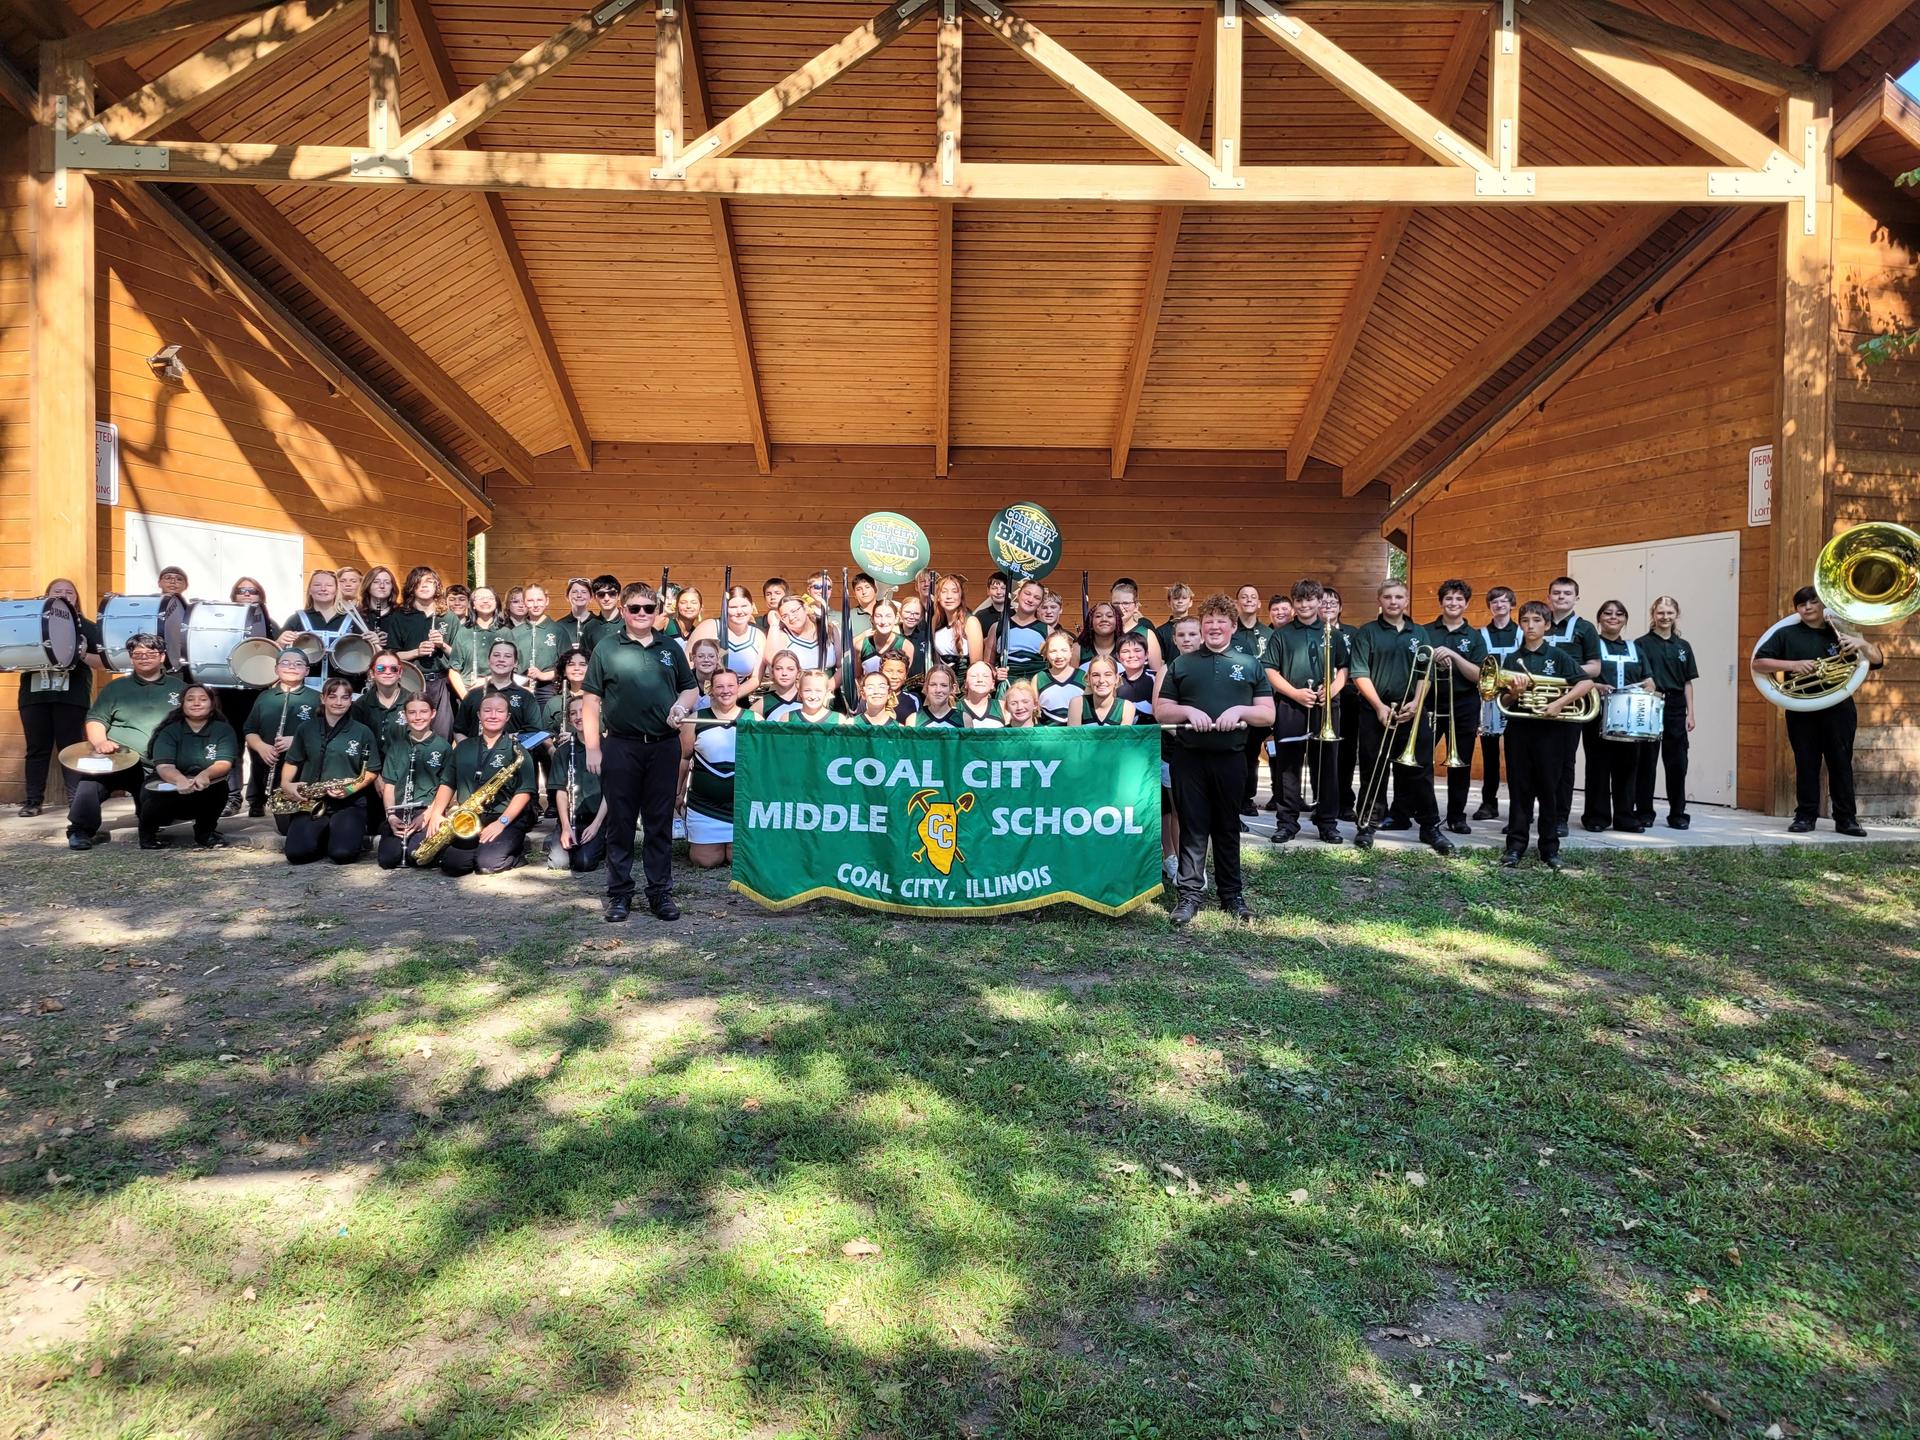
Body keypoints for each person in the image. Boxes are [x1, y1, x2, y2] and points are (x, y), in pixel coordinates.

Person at [1155, 594, 1275, 926]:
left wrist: (1239, 710)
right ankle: (1189, 896)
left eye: (1221, 621)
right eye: (1208, 622)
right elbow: (1162, 710)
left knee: (1226, 828)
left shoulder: (1251, 665)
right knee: (1192, 828)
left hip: (1231, 758)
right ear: (1202, 625)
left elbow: (1267, 714)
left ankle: (1231, 896)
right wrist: (1188, 711)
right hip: (1189, 758)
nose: (1214, 627)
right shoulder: (1182, 664)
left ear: (1233, 626)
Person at [582, 582, 698, 923]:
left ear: (658, 612)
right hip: (621, 745)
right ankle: (620, 895)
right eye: (635, 609)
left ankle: (660, 892)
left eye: (649, 608)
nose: (642, 614)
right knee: (620, 823)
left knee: (658, 822)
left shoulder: (670, 647)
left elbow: (690, 688)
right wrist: (593, 747)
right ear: (623, 611)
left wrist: (680, 706)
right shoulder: (606, 647)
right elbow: (590, 700)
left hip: (663, 746)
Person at [1753, 584, 1882, 836]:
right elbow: (1758, 663)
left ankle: (1846, 819)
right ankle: (1805, 816)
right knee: (1806, 762)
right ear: (1797, 609)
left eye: (1813, 602)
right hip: (1801, 706)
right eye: (1802, 604)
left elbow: (1877, 660)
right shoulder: (1785, 634)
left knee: (1841, 762)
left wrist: (1861, 642)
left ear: (1822, 605)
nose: (1808, 607)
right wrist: (1794, 664)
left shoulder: (1841, 632)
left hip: (1839, 708)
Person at [1348, 581, 1454, 856]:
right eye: (1388, 597)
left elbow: (1425, 674)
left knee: (1420, 772)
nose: (1393, 601)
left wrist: (1417, 703)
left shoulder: (1419, 632)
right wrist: (1380, 706)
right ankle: (1367, 825)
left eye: (1399, 597)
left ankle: (1430, 826)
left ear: (1406, 601)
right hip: (1376, 713)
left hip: (1413, 713)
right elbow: (1359, 673)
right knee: (1374, 769)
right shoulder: (1367, 633)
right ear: (1379, 601)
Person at [1497, 601, 1596, 870]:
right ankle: (1515, 847)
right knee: (1519, 790)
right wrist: (1515, 693)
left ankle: (1549, 849)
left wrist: (1558, 704)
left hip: (1551, 732)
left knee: (1549, 791)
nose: (1531, 625)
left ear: (1547, 625)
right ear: (1520, 624)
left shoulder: (1558, 656)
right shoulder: (1512, 659)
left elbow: (1586, 682)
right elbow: (1504, 699)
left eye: (1537, 621)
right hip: (1519, 730)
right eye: (1526, 620)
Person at [67, 632, 184, 851]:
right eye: (137, 653)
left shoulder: (180, 689)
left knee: (162, 816)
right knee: (90, 784)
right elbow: (96, 719)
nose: (144, 657)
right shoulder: (116, 688)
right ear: (131, 658)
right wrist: (100, 742)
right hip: (118, 758)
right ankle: (80, 831)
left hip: (159, 765)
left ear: (162, 657)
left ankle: (149, 816)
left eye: (150, 653)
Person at [1263, 580, 1346, 845]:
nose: (1304, 605)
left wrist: (1331, 690)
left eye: (1310, 600)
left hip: (1326, 707)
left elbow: (1345, 668)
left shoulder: (1333, 633)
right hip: (1291, 704)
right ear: (1293, 603)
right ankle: (1287, 822)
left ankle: (1327, 823)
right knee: (1288, 766)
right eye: (1299, 601)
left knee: (1327, 766)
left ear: (1319, 601)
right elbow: (1270, 670)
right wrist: (1295, 693)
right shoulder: (1282, 635)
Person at [421, 692, 537, 876]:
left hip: (504, 818)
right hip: (468, 817)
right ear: (478, 715)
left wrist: (501, 822)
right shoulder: (464, 747)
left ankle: (514, 854)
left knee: (487, 864)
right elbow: (448, 783)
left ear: (507, 717)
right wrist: (436, 813)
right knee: (453, 866)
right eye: (487, 710)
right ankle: (482, 851)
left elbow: (524, 791)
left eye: (499, 711)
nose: (492, 715)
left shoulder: (518, 751)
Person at [17, 578, 103, 819]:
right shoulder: (31, 624)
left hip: (71, 696)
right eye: (58, 591)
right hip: (34, 695)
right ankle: (33, 801)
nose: (65, 595)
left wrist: (83, 653)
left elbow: (101, 664)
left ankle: (76, 800)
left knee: (72, 748)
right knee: (37, 749)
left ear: (76, 598)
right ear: (47, 595)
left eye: (70, 592)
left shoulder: (85, 626)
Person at [279, 677, 379, 866]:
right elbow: (292, 761)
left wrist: (349, 790)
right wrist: (286, 784)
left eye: (344, 697)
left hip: (349, 803)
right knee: (297, 855)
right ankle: (325, 834)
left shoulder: (362, 732)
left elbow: (371, 771)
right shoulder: (306, 728)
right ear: (323, 699)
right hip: (311, 802)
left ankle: (335, 836)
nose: (338, 702)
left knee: (342, 855)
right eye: (332, 697)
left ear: (351, 701)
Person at [1583, 599, 1657, 833]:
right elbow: (1579, 678)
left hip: (1630, 718)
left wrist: (1648, 686)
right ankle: (1597, 817)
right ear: (1599, 618)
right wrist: (1596, 686)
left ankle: (1625, 817)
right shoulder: (1591, 646)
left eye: (1619, 614)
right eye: (1607, 613)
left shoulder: (1636, 649)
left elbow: (1650, 681)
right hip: (1598, 715)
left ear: (1625, 620)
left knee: (1628, 767)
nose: (1613, 617)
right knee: (1598, 767)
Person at [1424, 580, 1488, 835]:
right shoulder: (1425, 631)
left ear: (1466, 604)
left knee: (1460, 762)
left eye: (1459, 599)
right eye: (1448, 598)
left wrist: (1454, 656)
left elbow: (1479, 676)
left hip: (1463, 704)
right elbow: (1416, 668)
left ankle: (1456, 816)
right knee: (1419, 760)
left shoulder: (1474, 637)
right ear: (1441, 602)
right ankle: (1421, 812)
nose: (1453, 603)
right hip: (1430, 702)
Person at [140, 684, 237, 849]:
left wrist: (205, 775)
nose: (196, 703)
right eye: (190, 699)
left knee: (220, 787)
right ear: (182, 704)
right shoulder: (170, 731)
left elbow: (224, 763)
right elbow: (164, 766)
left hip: (203, 787)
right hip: (170, 785)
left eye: (203, 699)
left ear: (212, 704)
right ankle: (147, 835)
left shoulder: (223, 730)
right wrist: (179, 780)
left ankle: (205, 833)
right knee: (155, 791)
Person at [1543, 576, 1602, 836]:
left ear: (1576, 597)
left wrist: (1564, 675)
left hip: (1571, 703)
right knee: (1537, 760)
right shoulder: (1538, 622)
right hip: (1539, 700)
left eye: (1567, 593)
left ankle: (1559, 818)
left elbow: (1595, 667)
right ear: (1549, 597)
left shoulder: (1586, 628)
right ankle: (1532, 815)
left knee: (1565, 762)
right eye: (1556, 593)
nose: (1561, 597)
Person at [1634, 595, 1698, 830]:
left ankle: (1678, 813)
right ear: (1653, 614)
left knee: (1677, 763)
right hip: (1650, 704)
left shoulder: (1683, 646)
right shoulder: (1641, 644)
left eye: (1669, 613)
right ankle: (1644, 812)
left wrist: (1690, 713)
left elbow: (1688, 683)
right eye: (1660, 612)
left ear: (1676, 616)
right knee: (1646, 761)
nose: (1665, 617)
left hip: (1675, 706)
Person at [244, 650, 319, 824]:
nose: (291, 667)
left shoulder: (316, 698)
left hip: (300, 769)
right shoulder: (265, 697)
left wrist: (295, 740)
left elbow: (323, 732)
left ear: (307, 671)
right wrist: (261, 746)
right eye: (285, 663)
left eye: (298, 664)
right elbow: (250, 729)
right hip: (270, 760)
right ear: (276, 669)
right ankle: (258, 799)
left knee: (290, 823)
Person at [377, 695, 452, 869]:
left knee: (416, 856)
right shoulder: (396, 747)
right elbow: (389, 786)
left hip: (427, 810)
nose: (418, 717)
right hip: (400, 810)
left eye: (424, 711)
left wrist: (428, 815)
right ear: (405, 715)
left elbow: (446, 787)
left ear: (433, 713)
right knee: (388, 860)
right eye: (412, 712)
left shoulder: (443, 747)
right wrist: (391, 816)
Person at [679, 668, 744, 866]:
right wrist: (677, 794)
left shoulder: (754, 720)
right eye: (720, 686)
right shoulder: (695, 720)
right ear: (711, 690)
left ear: (738, 688)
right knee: (707, 860)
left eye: (730, 686)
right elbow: (683, 759)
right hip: (704, 805)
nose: (726, 691)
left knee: (737, 858)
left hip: (741, 805)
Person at [385, 566, 458, 737]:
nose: (425, 586)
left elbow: (459, 657)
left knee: (441, 735)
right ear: (412, 587)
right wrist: (416, 652)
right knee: (407, 734)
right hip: (409, 682)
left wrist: (442, 645)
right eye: (419, 582)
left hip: (441, 684)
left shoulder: (448, 617)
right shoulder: (400, 616)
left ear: (437, 587)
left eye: (429, 582)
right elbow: (391, 656)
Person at [1473, 585, 1519, 820]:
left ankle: (1519, 807)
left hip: (1516, 699)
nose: (1499, 605)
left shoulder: (1522, 633)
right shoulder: (1480, 634)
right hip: (1489, 700)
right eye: (1494, 602)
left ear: (1512, 604)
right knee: (1490, 756)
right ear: (1489, 606)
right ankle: (1488, 803)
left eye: (1504, 601)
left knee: (1517, 756)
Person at [1228, 583, 1273, 817]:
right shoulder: (1230, 635)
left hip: (1261, 701)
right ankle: (1238, 797)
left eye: (1253, 597)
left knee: (1253, 752)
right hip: (1237, 701)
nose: (1248, 600)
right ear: (1236, 603)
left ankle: (1248, 798)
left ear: (1258, 604)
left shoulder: (1269, 634)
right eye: (1243, 597)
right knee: (1239, 751)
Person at [549, 695, 606, 872]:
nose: (579, 716)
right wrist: (565, 827)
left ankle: (602, 843)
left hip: (598, 819)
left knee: (584, 863)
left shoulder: (609, 748)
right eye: (573, 713)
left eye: (583, 711)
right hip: (572, 819)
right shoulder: (564, 751)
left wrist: (596, 825)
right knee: (558, 863)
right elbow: (560, 791)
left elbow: (612, 791)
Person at [1323, 586, 1362, 821]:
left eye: (1333, 602)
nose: (1328, 605)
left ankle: (1346, 801)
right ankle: (1325, 800)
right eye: (1324, 601)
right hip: (1318, 697)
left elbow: (1355, 663)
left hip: (1346, 697)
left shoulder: (1351, 633)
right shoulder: (1313, 632)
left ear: (1340, 607)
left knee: (1346, 752)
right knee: (1324, 753)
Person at [454, 638, 538, 740]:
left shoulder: (526, 696)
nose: (501, 659)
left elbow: (533, 732)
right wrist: (470, 751)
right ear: (489, 660)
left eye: (507, 656)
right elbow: (459, 730)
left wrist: (503, 743)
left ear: (515, 663)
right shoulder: (473, 695)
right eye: (496, 655)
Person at [694, 587, 767, 696]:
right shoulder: (709, 627)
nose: (739, 611)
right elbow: (688, 664)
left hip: (737, 696)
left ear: (752, 607)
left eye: (744, 606)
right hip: (701, 694)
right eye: (733, 607)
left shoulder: (758, 636)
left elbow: (755, 679)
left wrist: (730, 696)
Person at [448, 585, 506, 699]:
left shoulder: (505, 633)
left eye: (490, 598)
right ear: (473, 605)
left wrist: (487, 680)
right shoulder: (463, 632)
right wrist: (466, 698)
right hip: (467, 693)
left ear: (496, 603)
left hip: (498, 695)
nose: (485, 601)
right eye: (480, 598)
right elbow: (454, 670)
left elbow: (512, 668)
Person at [351, 651, 412, 753]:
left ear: (400, 673)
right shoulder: (361, 705)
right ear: (372, 673)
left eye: (393, 669)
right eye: (381, 668)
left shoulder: (412, 702)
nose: (387, 672)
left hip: (404, 764)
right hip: (371, 765)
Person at [516, 583, 568, 700]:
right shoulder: (515, 633)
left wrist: (543, 675)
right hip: (521, 687)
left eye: (539, 600)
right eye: (530, 600)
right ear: (524, 602)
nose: (535, 605)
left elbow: (567, 665)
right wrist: (520, 683)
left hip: (549, 689)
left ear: (547, 601)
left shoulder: (558, 630)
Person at [993, 580, 1048, 682]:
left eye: (1037, 598)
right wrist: (995, 674)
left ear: (1040, 603)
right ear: (1018, 594)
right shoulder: (997, 627)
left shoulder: (1048, 631)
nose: (1030, 599)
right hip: (1005, 686)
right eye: (1027, 594)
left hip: (1035, 687)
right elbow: (988, 663)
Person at [279, 569, 348, 644]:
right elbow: (275, 652)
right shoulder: (296, 619)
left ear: (336, 591)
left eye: (329, 585)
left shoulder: (351, 620)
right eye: (317, 585)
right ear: (309, 590)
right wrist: (280, 642)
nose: (323, 589)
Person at [931, 574, 983, 671]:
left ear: (961, 596)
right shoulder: (935, 621)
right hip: (943, 680)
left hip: (965, 682)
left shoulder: (971, 622)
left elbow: (976, 665)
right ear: (938, 597)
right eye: (944, 592)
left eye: (954, 591)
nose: (949, 596)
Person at [771, 593, 835, 672]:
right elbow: (771, 659)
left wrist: (830, 684)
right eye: (785, 616)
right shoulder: (783, 636)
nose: (791, 617)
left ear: (805, 608)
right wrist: (773, 624)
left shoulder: (829, 629)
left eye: (794, 611)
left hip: (830, 682)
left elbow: (842, 665)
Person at [1035, 631, 1087, 725]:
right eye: (1053, 651)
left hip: (1077, 735)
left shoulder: (1083, 676)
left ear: (1071, 651)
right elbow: (1034, 712)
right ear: (1046, 653)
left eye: (1064, 650)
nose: (1059, 656)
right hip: (1047, 735)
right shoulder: (1039, 678)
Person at [1068, 656, 1137, 726]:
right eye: (1095, 675)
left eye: (1108, 675)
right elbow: (1074, 736)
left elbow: (1122, 737)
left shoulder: (1126, 707)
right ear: (1088, 678)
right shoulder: (1077, 703)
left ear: (1116, 679)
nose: (1101, 680)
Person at [756, 650, 804, 721]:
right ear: (772, 672)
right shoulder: (763, 703)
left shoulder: (807, 698)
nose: (784, 673)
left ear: (798, 673)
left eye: (790, 669)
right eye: (778, 669)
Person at [1154, 582, 1194, 665]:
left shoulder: (1198, 628)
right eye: (1176, 598)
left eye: (1184, 598)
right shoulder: (1160, 632)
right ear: (1169, 602)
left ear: (1190, 602)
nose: (1180, 601)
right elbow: (1160, 661)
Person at [559, 577, 599, 652]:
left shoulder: (599, 624)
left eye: (584, 592)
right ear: (567, 596)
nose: (579, 595)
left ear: (591, 597)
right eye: (574, 592)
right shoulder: (560, 626)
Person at [959, 661, 1004, 727]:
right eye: (974, 676)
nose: (980, 680)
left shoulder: (1004, 708)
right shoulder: (954, 709)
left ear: (993, 683)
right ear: (965, 683)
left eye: (985, 676)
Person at [974, 571, 1009, 642]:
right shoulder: (980, 616)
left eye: (1003, 588)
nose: (999, 592)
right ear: (988, 591)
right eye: (994, 588)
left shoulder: (1015, 614)